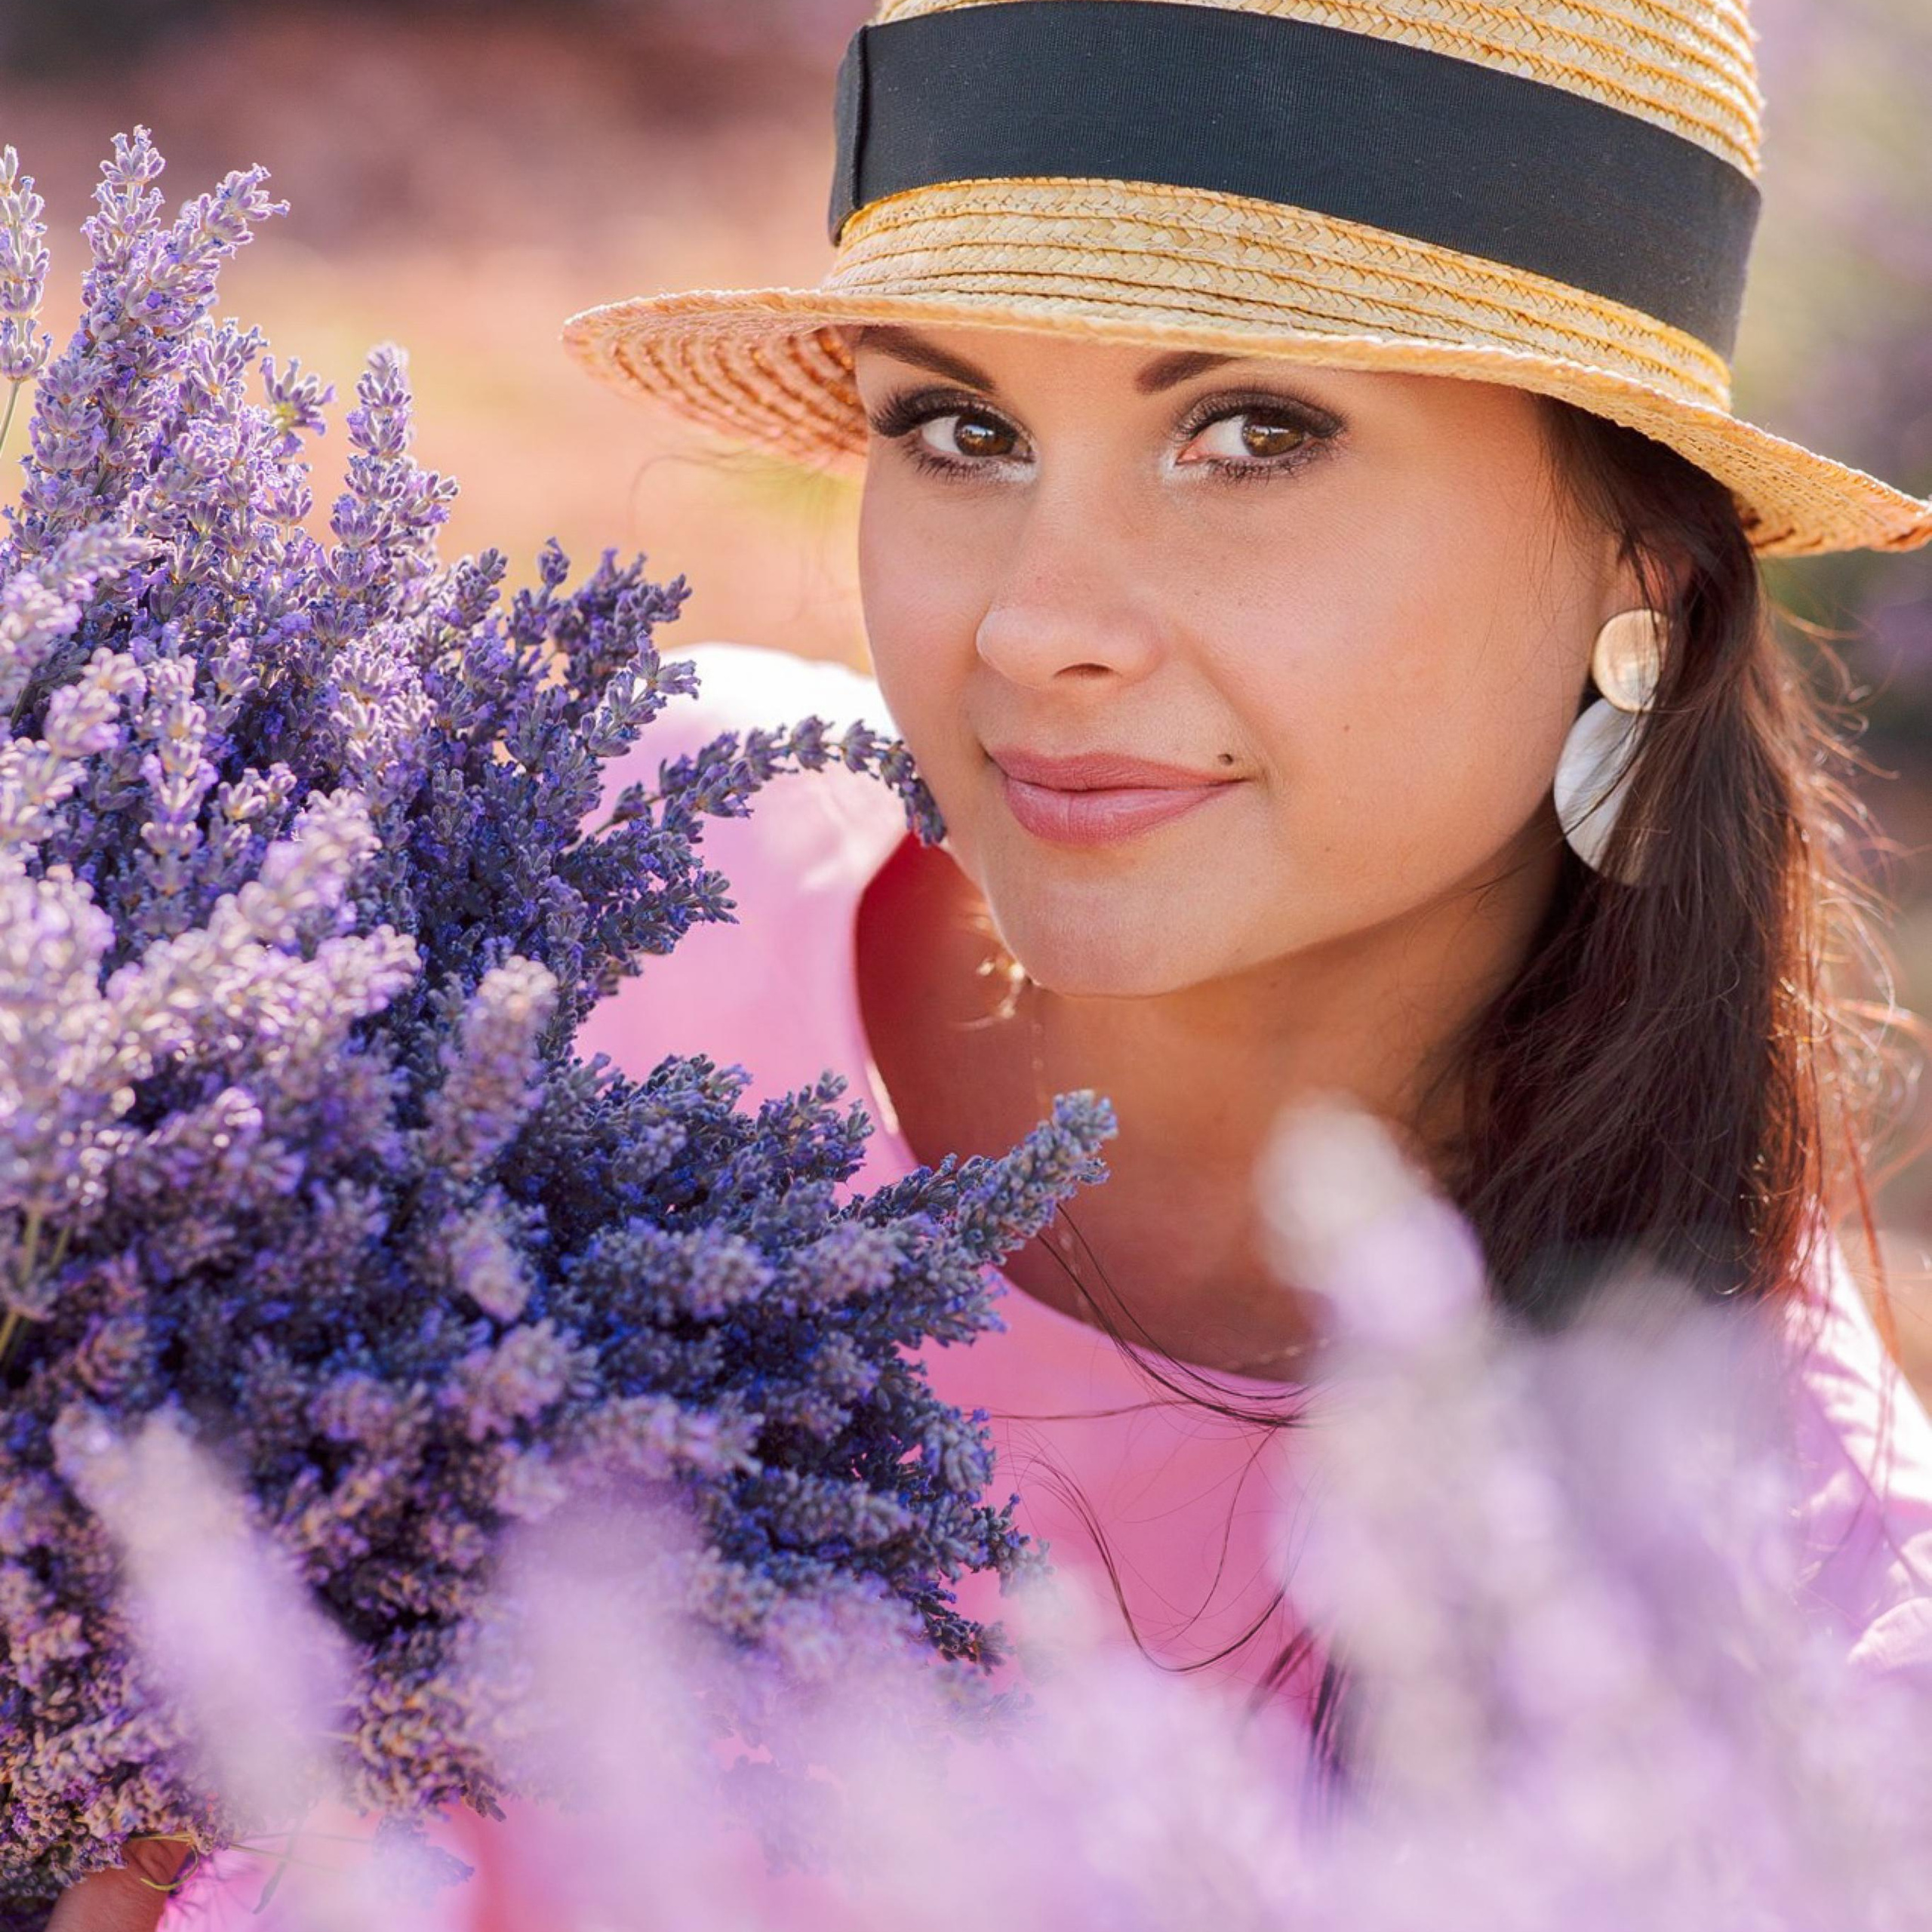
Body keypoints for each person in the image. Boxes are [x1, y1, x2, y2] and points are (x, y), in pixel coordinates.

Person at [62, 0, 1932, 1925]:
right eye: (959, 429)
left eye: (1250, 434)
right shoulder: (543, 899)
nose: (1036, 626)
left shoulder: (1782, 1657)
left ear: (1646, 569)